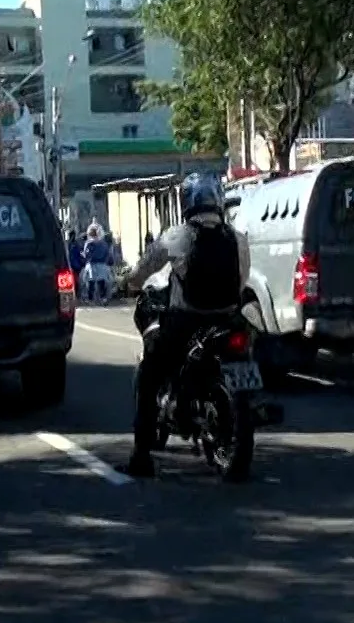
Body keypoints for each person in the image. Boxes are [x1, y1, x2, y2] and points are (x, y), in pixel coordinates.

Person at [119, 172, 251, 478]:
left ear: (187, 202)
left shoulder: (177, 236)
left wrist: (128, 282)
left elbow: (143, 271)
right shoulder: (237, 238)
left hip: (186, 324)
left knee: (150, 373)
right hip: (229, 321)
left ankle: (141, 456)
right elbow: (242, 280)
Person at [82, 223, 114, 304]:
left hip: (92, 265)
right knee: (101, 282)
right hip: (102, 265)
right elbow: (107, 254)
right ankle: (103, 298)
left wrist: (84, 256)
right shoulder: (103, 244)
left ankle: (90, 299)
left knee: (90, 282)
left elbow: (86, 255)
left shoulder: (89, 243)